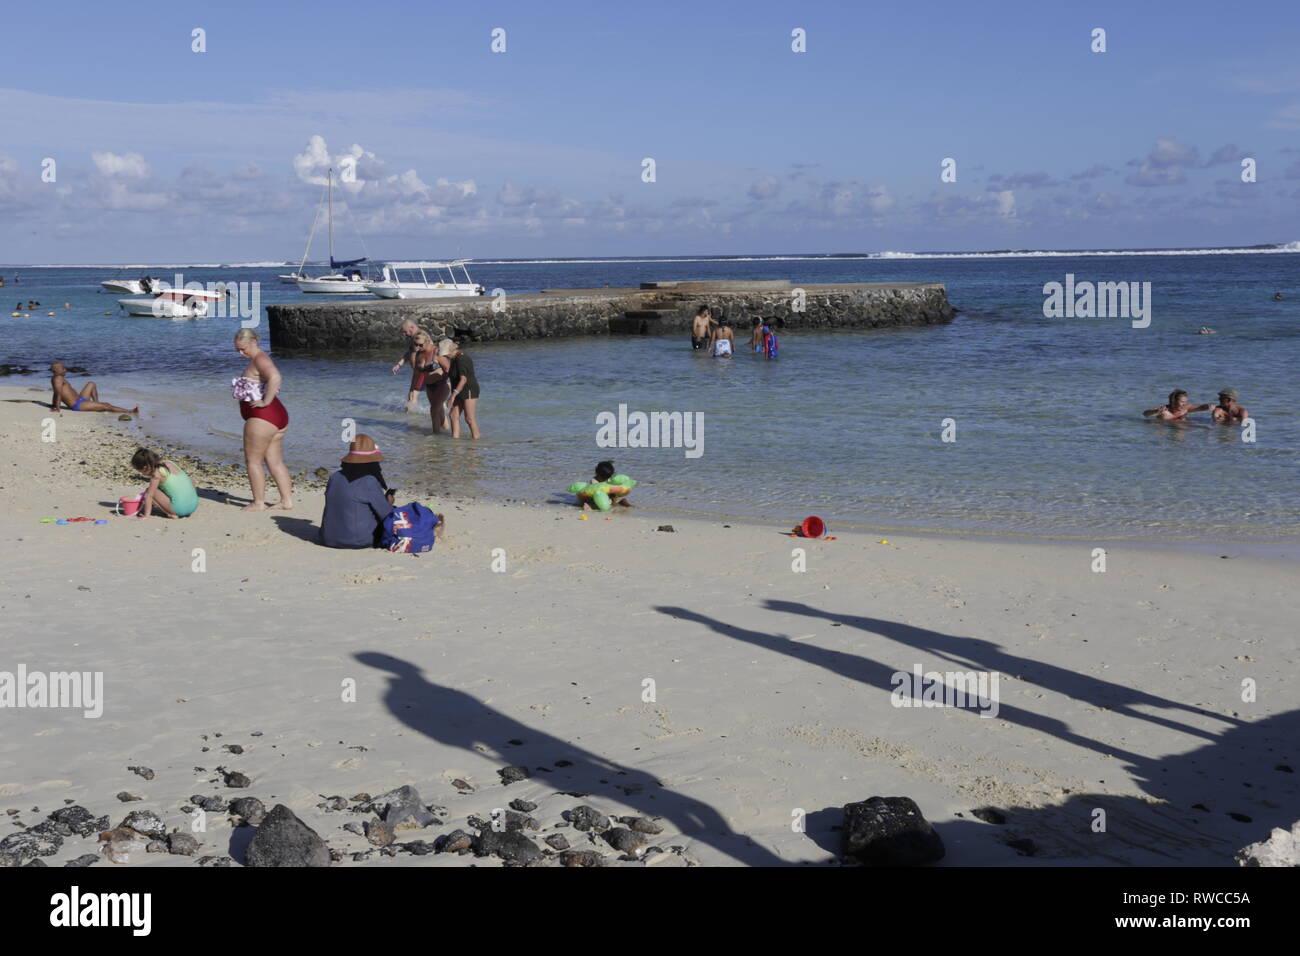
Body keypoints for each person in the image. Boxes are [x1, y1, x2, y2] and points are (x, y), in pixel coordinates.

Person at [232, 328, 293, 511]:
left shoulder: (260, 359)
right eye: (238, 350)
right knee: (274, 461)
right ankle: (286, 501)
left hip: (263, 418)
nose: (241, 353)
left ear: (254, 343)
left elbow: (275, 376)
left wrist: (265, 401)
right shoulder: (258, 359)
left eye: (243, 349)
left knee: (253, 461)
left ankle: (258, 502)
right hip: (276, 416)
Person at [320, 435, 398, 548]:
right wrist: (389, 503)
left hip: (327, 538)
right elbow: (386, 515)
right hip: (358, 540)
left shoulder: (335, 477)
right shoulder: (369, 481)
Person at [129, 448, 199, 518]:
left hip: (180, 509)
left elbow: (149, 496)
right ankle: (181, 508)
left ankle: (172, 514)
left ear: (145, 468)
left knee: (149, 491)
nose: (142, 474)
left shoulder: (156, 474)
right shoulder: (169, 463)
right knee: (162, 488)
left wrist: (145, 515)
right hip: (194, 505)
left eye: (140, 471)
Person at [49, 362, 137, 414]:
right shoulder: (57, 379)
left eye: (64, 368)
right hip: (78, 405)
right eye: (63, 369)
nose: (65, 370)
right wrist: (57, 408)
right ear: (56, 371)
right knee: (106, 405)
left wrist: (53, 405)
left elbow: (55, 393)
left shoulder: (59, 378)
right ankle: (129, 412)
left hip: (80, 399)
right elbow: (58, 393)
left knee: (91, 383)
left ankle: (96, 404)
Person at [440, 339, 481, 439]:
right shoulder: (454, 359)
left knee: (469, 418)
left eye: (445, 355)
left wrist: (452, 396)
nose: (444, 357)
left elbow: (463, 380)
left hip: (468, 389)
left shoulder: (462, 359)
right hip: (458, 390)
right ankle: (455, 444)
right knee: (453, 415)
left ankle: (476, 444)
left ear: (451, 351)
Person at [390, 319, 425, 412]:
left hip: (422, 371)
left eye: (405, 332)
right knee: (410, 395)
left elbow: (431, 351)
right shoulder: (413, 338)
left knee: (413, 395)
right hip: (416, 371)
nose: (405, 335)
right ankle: (409, 420)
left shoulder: (422, 336)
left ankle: (412, 421)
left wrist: (423, 367)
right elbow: (410, 352)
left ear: (412, 328)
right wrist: (399, 364)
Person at [1142, 389, 1210, 422]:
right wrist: (1155, 412)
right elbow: (1145, 414)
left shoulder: (1186, 408)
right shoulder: (1164, 410)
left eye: (1186, 402)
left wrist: (1207, 407)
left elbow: (1201, 407)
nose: (1185, 404)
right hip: (1168, 428)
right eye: (1182, 402)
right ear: (1173, 401)